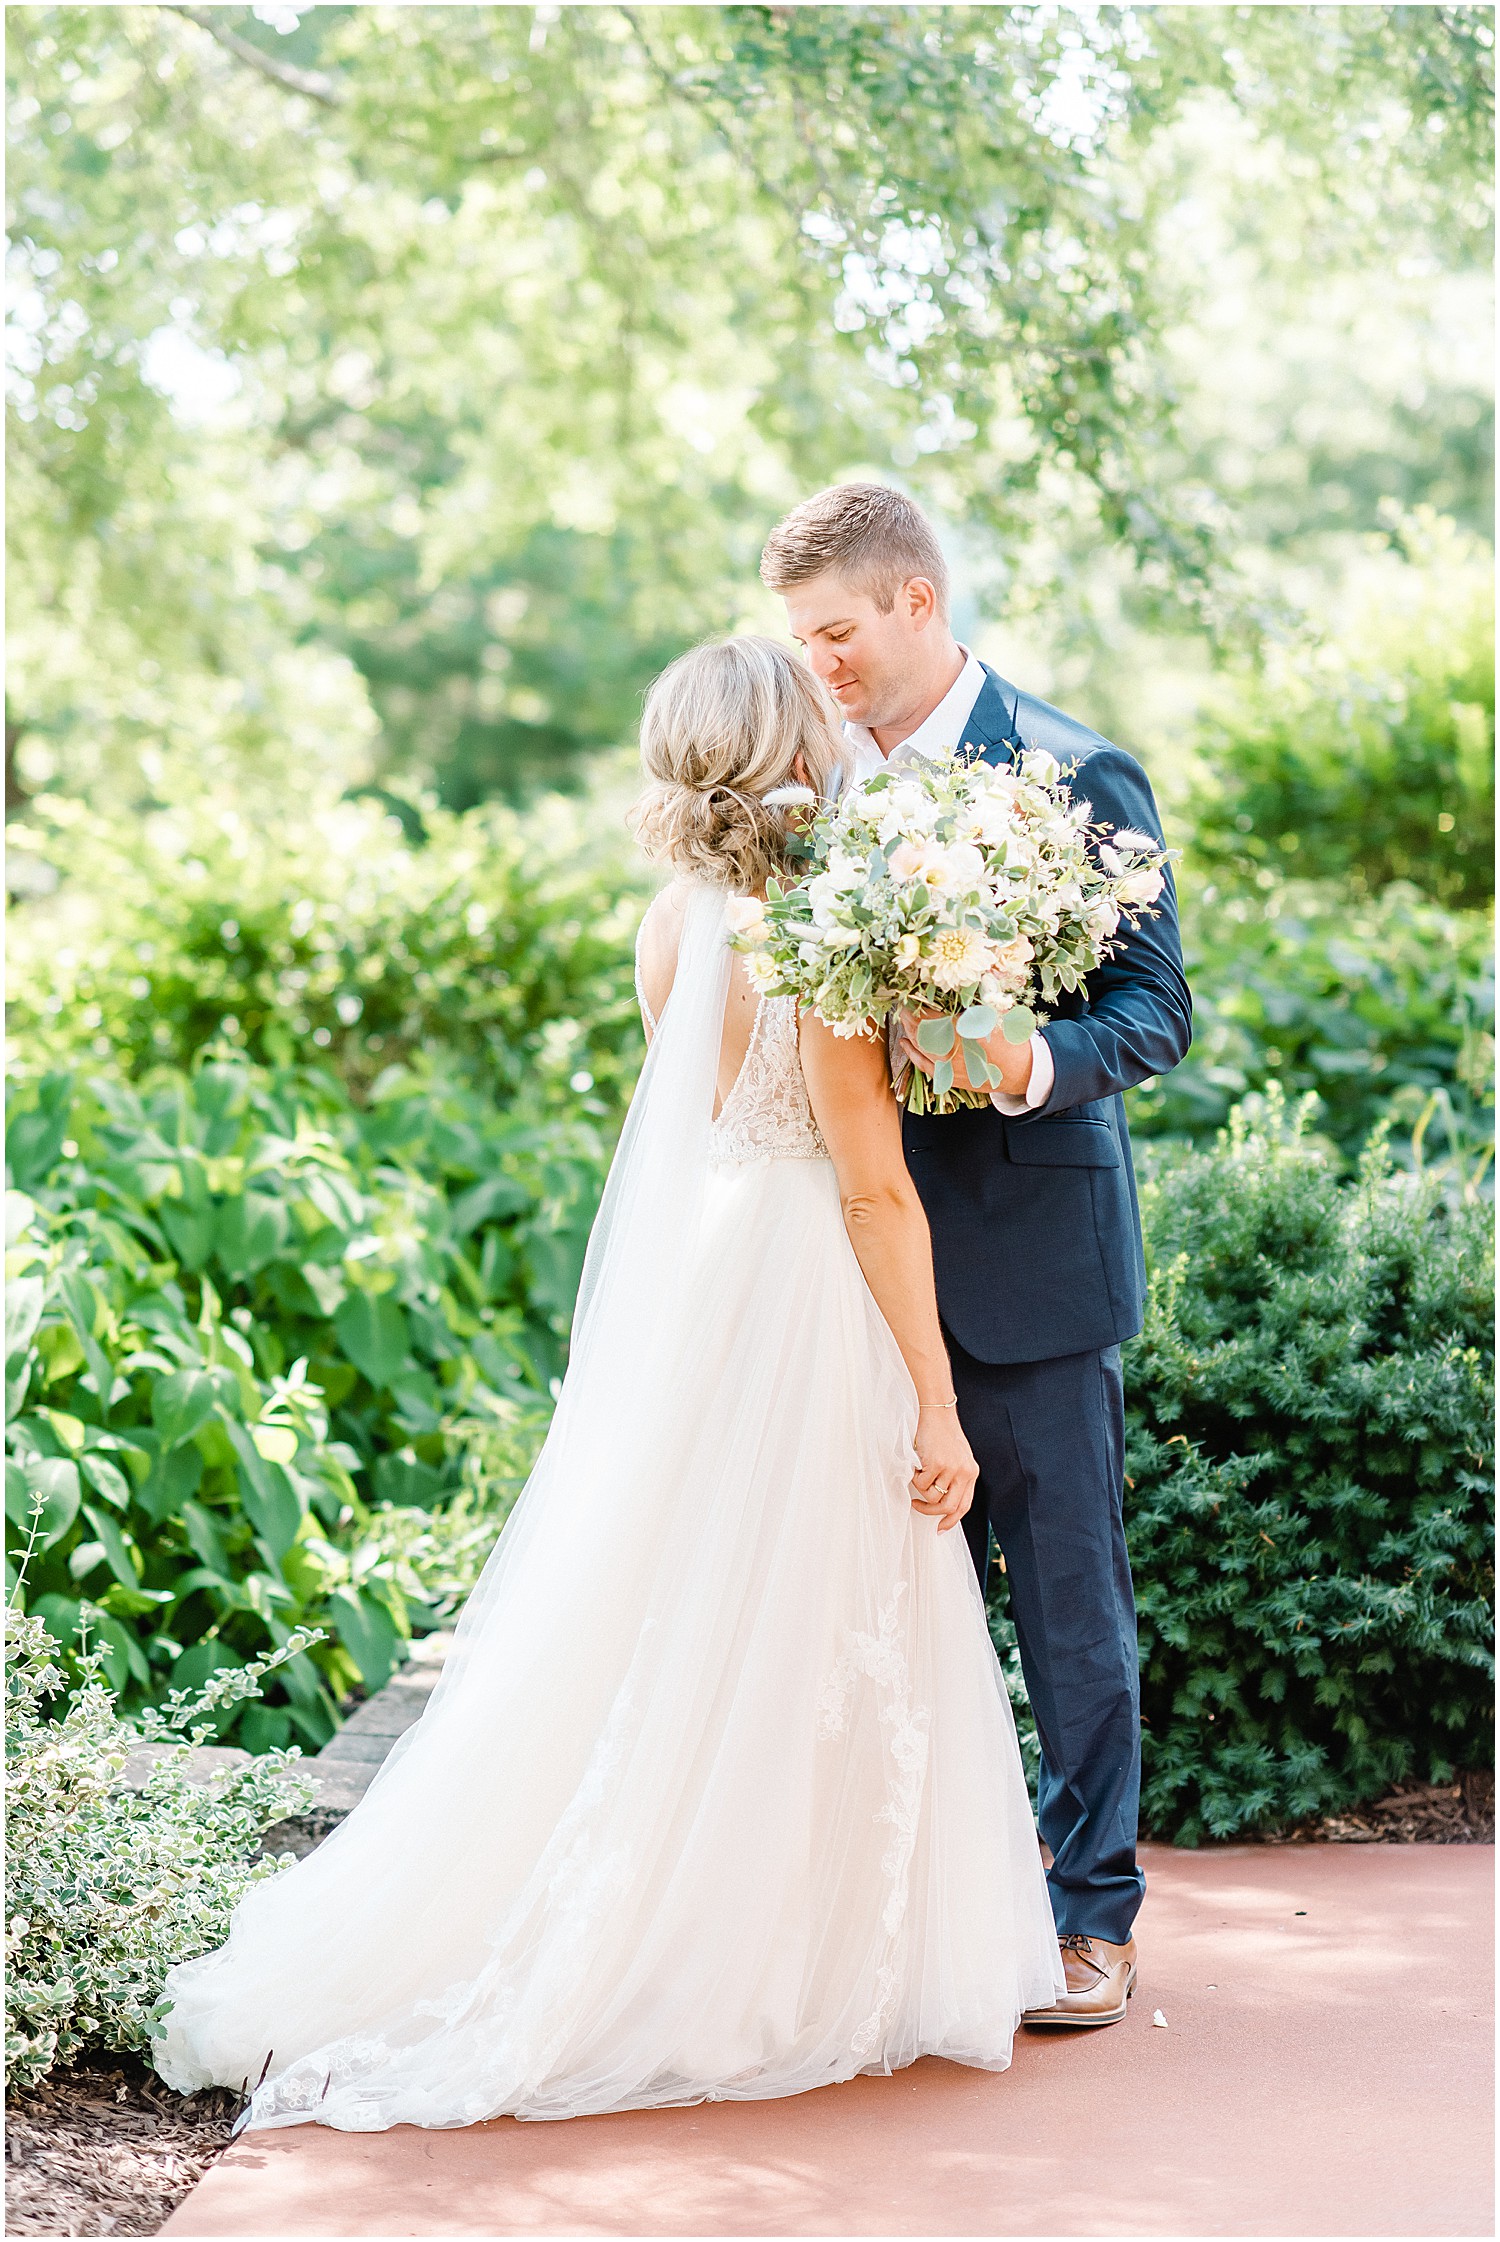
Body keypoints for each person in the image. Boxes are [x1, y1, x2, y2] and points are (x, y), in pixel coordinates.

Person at [154, 635, 1063, 2131]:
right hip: (801, 1293)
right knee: (804, 1600)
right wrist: (937, 1397)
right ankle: (751, 1954)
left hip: (702, 1287)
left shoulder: (673, 920)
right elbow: (873, 1193)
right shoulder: (819, 938)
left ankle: (694, 1900)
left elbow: (699, 1112)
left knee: (687, 1605)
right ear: (793, 749)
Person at [762, 484, 1192, 2029]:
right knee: (865, 1603)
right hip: (837, 1272)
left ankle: (1093, 1915)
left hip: (1027, 1256)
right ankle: (902, 1919)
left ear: (918, 602)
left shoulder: (1075, 772)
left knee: (1068, 1600)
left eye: (839, 634)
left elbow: (1159, 1012)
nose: (821, 668)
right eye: (799, 642)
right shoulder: (803, 786)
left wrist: (1023, 1056)